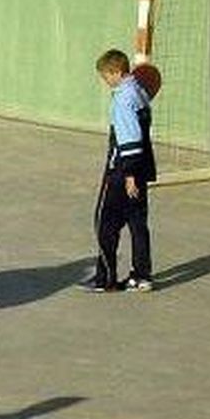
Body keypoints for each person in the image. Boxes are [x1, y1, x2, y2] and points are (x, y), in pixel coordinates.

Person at [81, 50, 157, 293]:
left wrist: (128, 175)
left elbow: (130, 138)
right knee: (137, 223)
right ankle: (141, 276)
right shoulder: (139, 91)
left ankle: (106, 279)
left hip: (122, 171)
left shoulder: (123, 99)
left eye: (106, 76)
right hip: (143, 167)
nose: (105, 81)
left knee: (104, 223)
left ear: (116, 72)